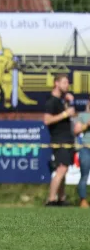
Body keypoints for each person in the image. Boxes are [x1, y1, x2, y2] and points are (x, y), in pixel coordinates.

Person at [44, 74, 75, 206]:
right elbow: (47, 120)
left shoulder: (62, 101)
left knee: (64, 169)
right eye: (64, 82)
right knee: (61, 169)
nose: (67, 85)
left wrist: (69, 103)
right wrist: (64, 114)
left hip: (67, 139)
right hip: (59, 139)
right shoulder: (51, 101)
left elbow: (71, 115)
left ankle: (61, 199)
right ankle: (51, 199)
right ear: (56, 83)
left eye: (68, 83)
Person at [73, 100, 90, 208]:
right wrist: (87, 124)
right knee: (84, 176)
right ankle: (83, 200)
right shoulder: (82, 115)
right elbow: (76, 130)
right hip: (86, 149)